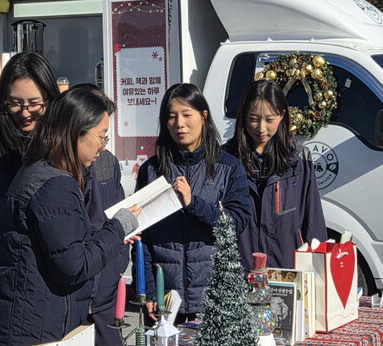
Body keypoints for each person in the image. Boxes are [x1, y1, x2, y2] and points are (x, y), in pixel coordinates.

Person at [0, 88, 140, 346]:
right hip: (31, 337)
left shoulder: (43, 172)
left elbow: (66, 246)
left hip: (26, 329)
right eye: (101, 135)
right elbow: (73, 265)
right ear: (77, 131)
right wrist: (119, 227)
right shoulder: (55, 184)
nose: (103, 146)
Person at [135, 83, 251, 320]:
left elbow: (236, 223)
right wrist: (147, 290)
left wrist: (193, 204)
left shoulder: (228, 167)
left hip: (215, 296)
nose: (179, 124)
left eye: (187, 115)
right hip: (165, 298)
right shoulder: (152, 170)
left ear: (203, 116)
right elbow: (142, 237)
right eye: (171, 117)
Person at [0, 52, 59, 328]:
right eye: (15, 104)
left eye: (34, 104)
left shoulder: (63, 143)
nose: (25, 113)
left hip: (50, 279)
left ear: (50, 100)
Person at [226, 80, 327, 269]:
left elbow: (313, 220)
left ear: (282, 115)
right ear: (243, 116)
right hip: (240, 270)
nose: (261, 128)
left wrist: (317, 267)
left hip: (287, 270)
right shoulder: (227, 160)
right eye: (253, 119)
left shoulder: (299, 159)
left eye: (269, 119)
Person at [71, 83, 129, 346]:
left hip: (105, 293)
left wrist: (118, 260)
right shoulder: (57, 170)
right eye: (101, 133)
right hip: (72, 296)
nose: (103, 143)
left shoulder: (107, 162)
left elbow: (116, 216)